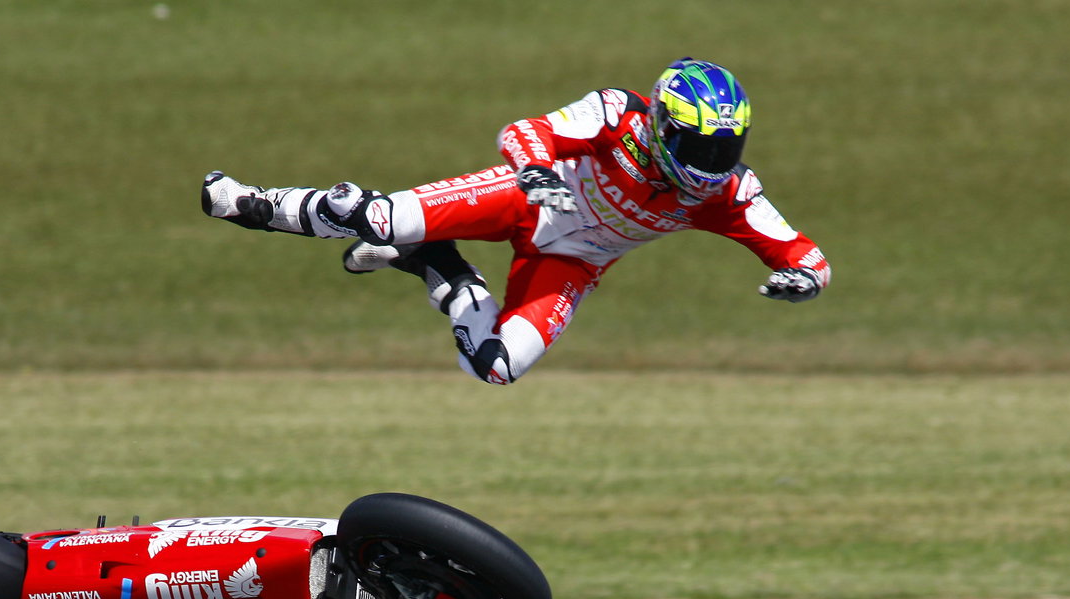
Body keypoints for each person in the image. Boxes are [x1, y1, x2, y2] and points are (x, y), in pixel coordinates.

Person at [202, 58, 831, 385]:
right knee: (373, 215)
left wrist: (804, 281)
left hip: (572, 261)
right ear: (664, 126)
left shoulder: (729, 194)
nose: (711, 165)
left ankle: (444, 271)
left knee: (495, 367)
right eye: (699, 148)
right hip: (523, 198)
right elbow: (527, 131)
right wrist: (535, 172)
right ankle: (245, 202)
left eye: (725, 149)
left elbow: (805, 254)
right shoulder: (618, 112)